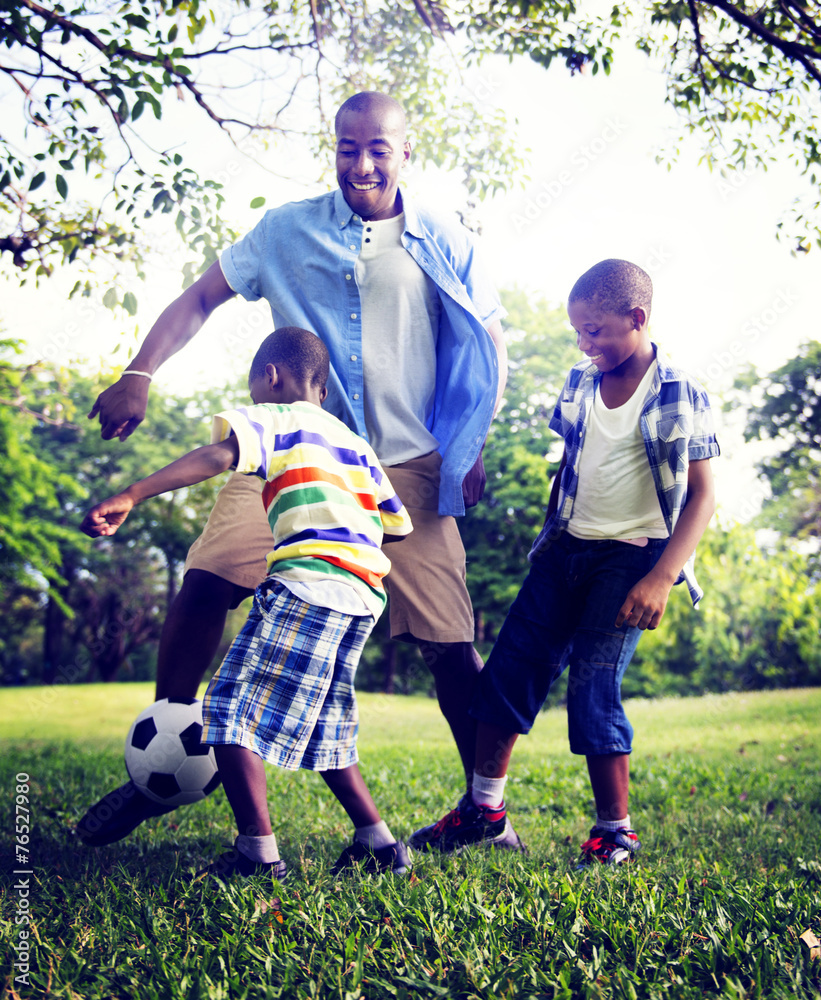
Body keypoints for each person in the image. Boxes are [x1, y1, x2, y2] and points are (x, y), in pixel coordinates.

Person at [76, 90, 522, 853]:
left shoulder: (445, 240)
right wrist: (139, 371)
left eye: (378, 148)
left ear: (404, 152)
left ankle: (485, 813)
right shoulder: (286, 231)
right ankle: (171, 746)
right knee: (207, 581)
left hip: (404, 466)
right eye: (348, 147)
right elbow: (200, 297)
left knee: (450, 645)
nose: (361, 162)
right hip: (291, 451)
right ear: (335, 148)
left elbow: (487, 345)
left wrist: (470, 442)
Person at [408, 259, 719, 865]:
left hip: (632, 561)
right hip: (565, 551)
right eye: (579, 331)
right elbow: (573, 468)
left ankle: (615, 831)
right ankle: (484, 810)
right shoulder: (580, 381)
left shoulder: (681, 390)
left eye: (596, 330)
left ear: (637, 318)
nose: (585, 344)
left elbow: (704, 495)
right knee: (508, 672)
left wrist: (662, 577)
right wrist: (552, 537)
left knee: (593, 687)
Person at [81, 327, 414, 878]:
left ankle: (257, 854)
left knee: (228, 711)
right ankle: (380, 847)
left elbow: (217, 454)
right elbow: (394, 527)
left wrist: (131, 494)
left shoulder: (275, 418)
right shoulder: (356, 446)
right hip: (362, 596)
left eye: (256, 386)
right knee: (327, 730)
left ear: (271, 378)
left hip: (308, 583)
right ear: (324, 391)